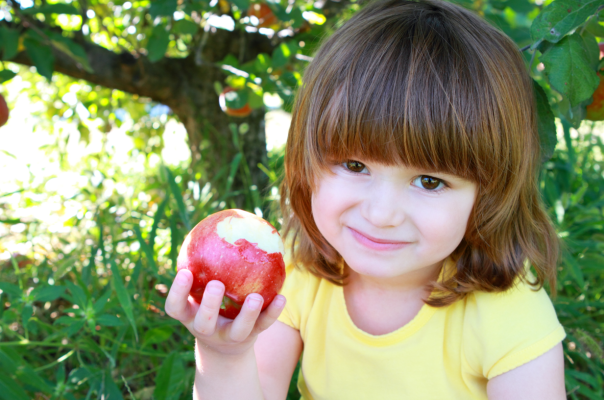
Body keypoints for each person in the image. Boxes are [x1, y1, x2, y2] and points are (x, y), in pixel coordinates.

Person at [165, 0, 568, 398]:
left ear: (492, 192)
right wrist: (224, 355)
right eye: (355, 166)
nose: (381, 213)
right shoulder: (294, 272)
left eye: (429, 181)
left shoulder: (508, 317)